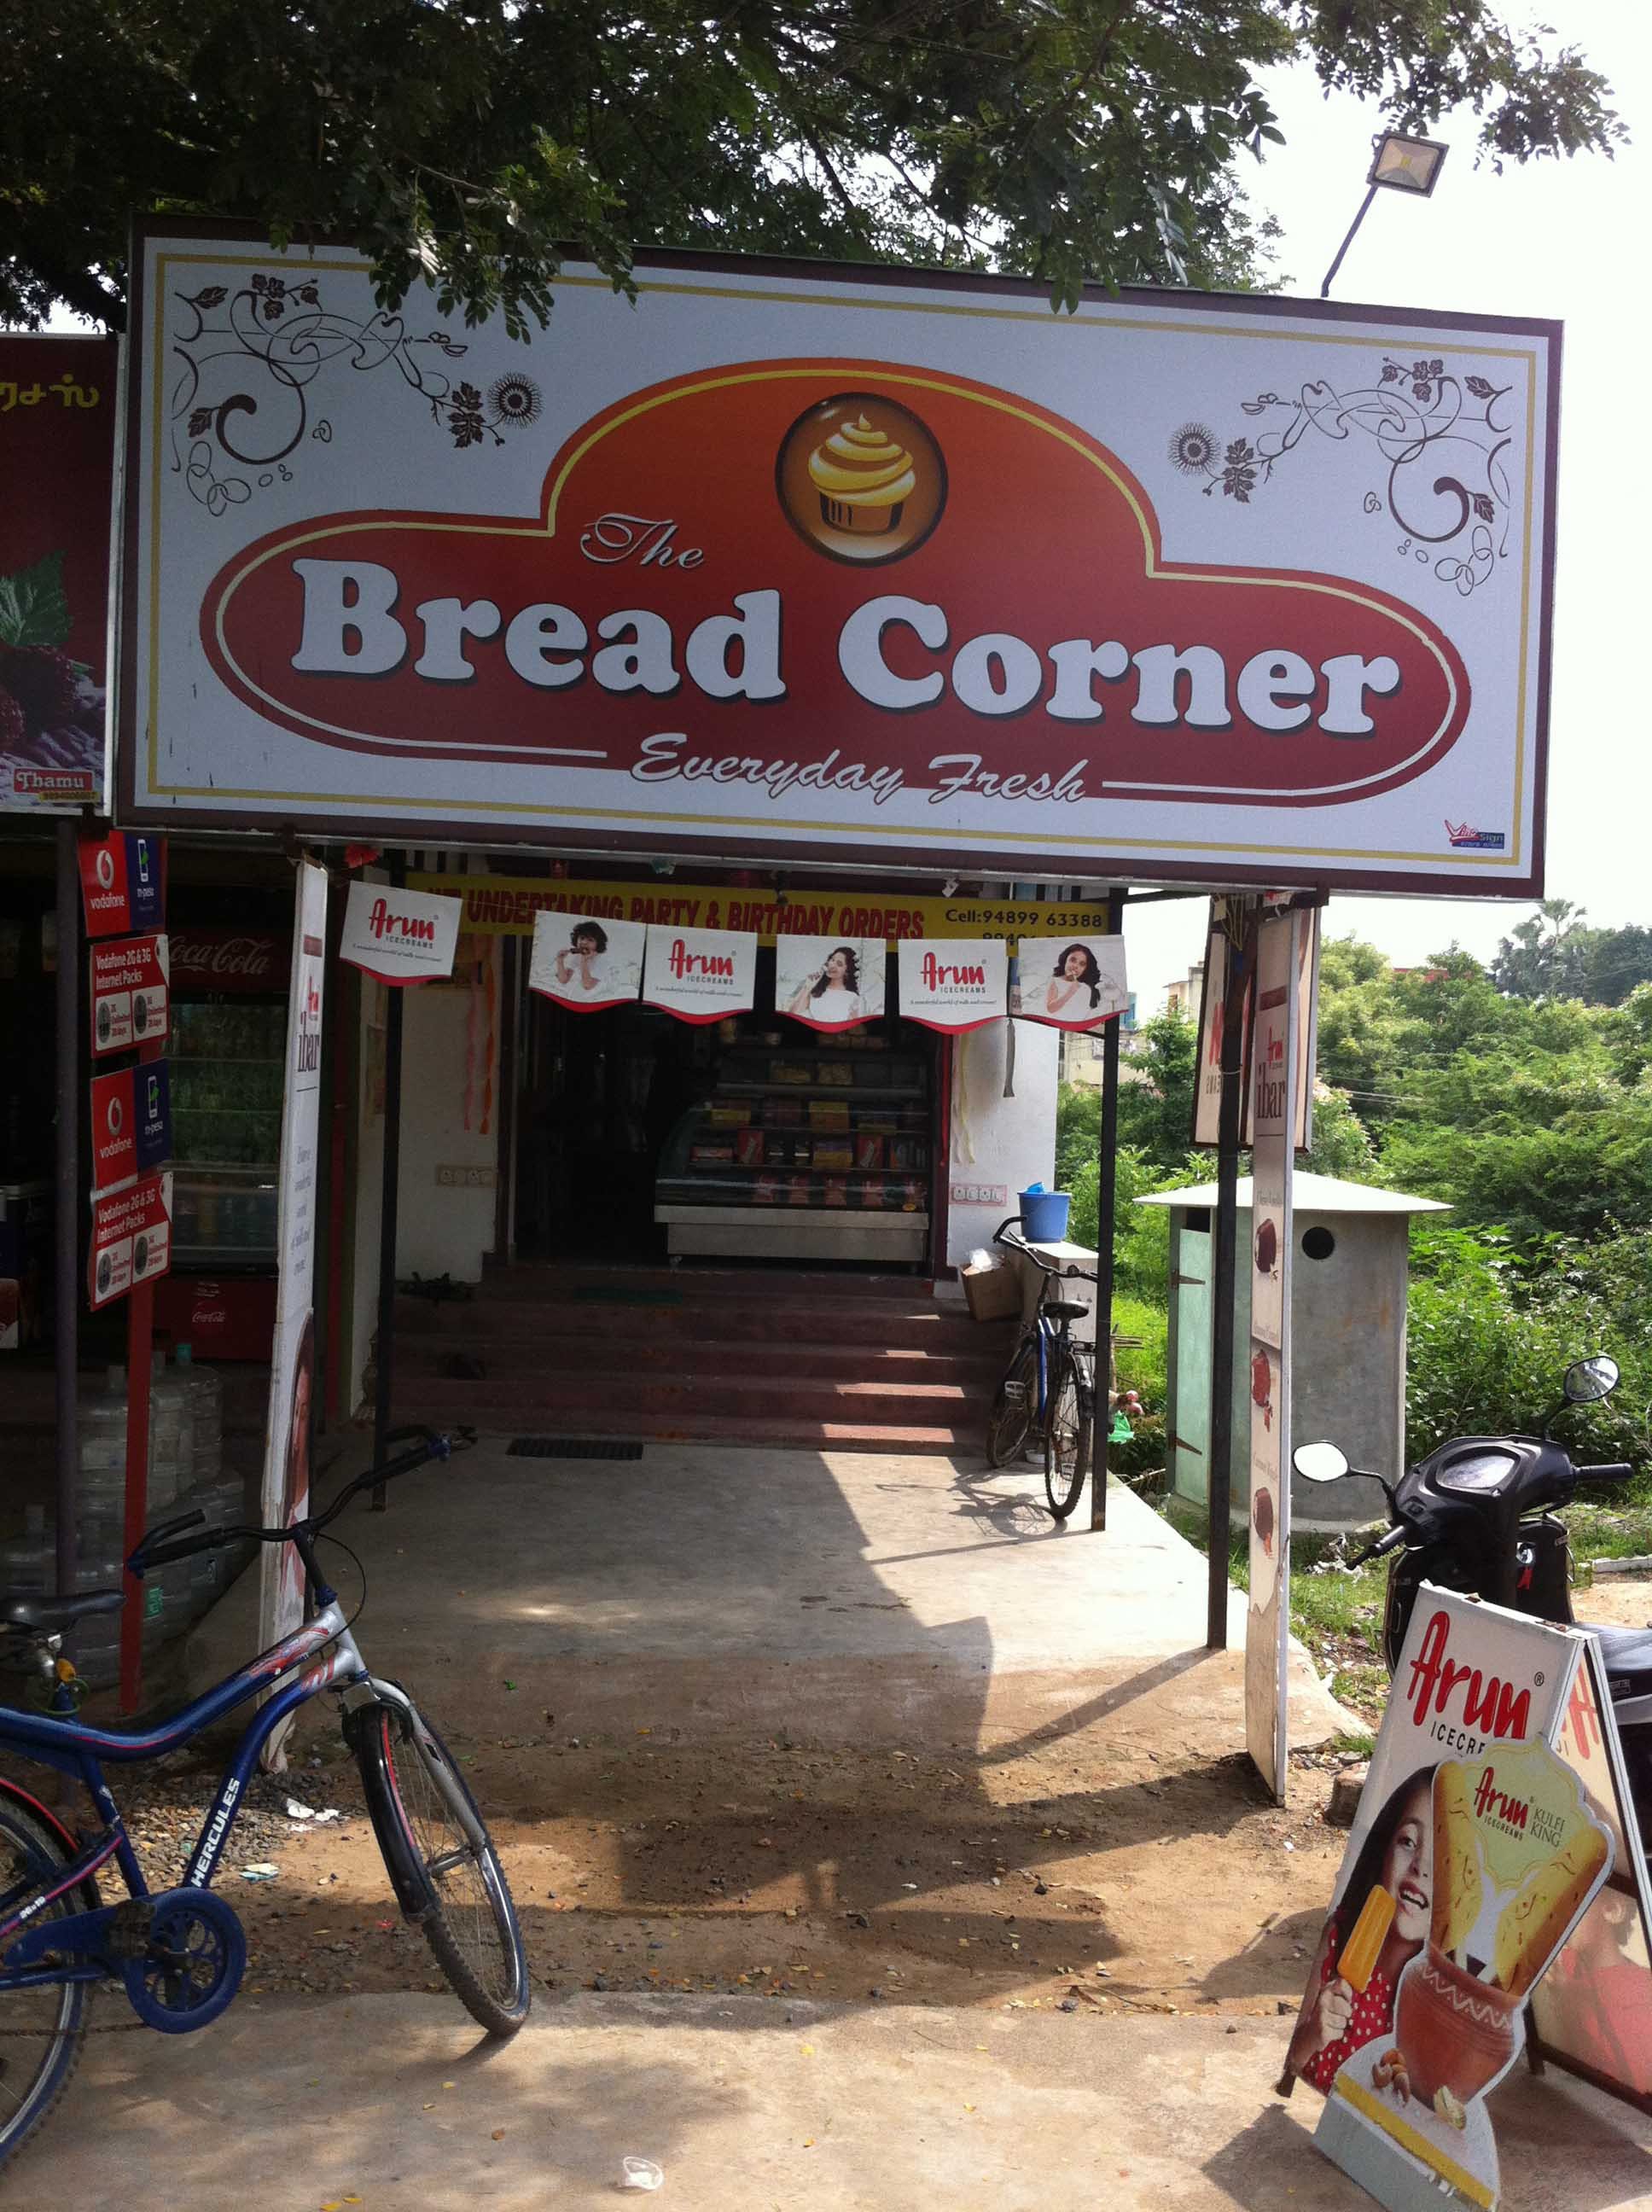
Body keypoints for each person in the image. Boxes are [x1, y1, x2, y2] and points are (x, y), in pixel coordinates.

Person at [1287, 1766, 1435, 2090]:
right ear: (1383, 1851)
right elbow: (1294, 2062)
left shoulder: (1440, 2004)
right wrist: (1314, 2031)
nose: (1421, 1866)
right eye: (1408, 1841)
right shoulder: (1340, 1937)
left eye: (1442, 1855)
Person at [788, 945, 865, 1024]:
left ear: (847, 972)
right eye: (832, 960)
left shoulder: (852, 998)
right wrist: (807, 987)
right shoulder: (815, 989)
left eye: (839, 964)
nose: (832, 965)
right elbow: (792, 1014)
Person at [1045, 943, 1103, 1019]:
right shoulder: (1055, 981)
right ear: (1065, 959)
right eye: (1073, 960)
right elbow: (1050, 1009)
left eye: (1082, 964)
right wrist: (1070, 992)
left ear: (1085, 969)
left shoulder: (1085, 988)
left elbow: (1083, 1014)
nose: (1076, 966)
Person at [553, 919, 609, 995]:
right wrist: (560, 961)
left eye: (590, 940)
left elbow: (587, 985)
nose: (584, 942)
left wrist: (584, 961)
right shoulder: (577, 956)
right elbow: (564, 980)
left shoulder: (602, 960)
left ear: (598, 944)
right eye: (582, 938)